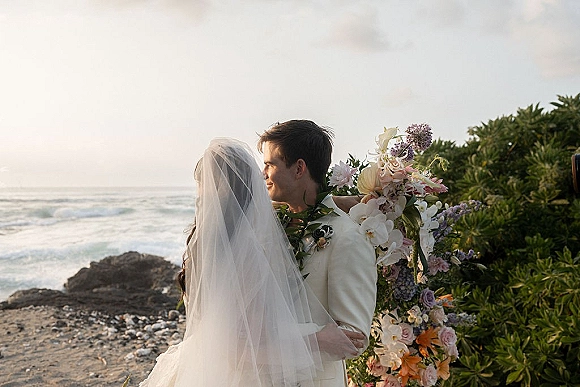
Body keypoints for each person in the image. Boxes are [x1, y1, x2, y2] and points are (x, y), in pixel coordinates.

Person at [140, 138, 357, 387]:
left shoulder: (203, 243)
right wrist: (319, 340)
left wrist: (340, 202)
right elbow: (238, 348)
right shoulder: (246, 256)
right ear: (249, 188)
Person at [258, 120, 378, 387]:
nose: (263, 173)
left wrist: (273, 339)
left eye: (270, 164)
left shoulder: (347, 238)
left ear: (299, 168)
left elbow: (353, 338)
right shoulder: (269, 225)